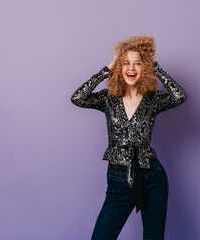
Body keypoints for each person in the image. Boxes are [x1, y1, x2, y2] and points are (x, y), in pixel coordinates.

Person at [70, 35, 187, 240]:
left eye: (137, 63)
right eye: (125, 63)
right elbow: (77, 98)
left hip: (152, 176)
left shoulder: (154, 100)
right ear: (119, 67)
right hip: (119, 178)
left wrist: (155, 66)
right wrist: (108, 68)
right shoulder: (108, 99)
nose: (131, 68)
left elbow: (179, 96)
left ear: (145, 68)